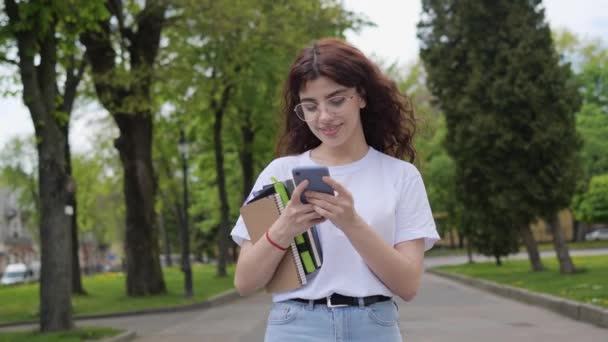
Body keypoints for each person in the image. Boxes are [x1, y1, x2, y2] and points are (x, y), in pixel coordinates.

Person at [230, 38, 440, 342]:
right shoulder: (278, 174)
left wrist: (352, 223)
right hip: (295, 326)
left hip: (374, 326)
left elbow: (408, 285)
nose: (324, 117)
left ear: (362, 97)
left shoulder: (401, 176)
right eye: (311, 106)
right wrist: (285, 227)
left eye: (337, 100)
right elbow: (245, 282)